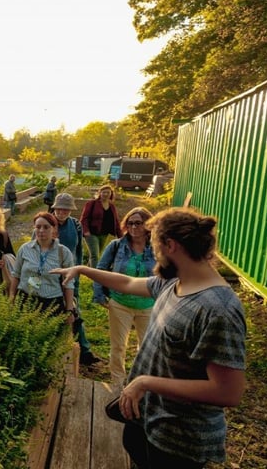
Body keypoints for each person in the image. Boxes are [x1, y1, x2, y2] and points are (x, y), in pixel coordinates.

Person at [52, 208, 246, 468]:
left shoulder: (218, 309)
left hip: (178, 440)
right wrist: (83, 269)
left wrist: (145, 382)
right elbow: (128, 283)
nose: (153, 254)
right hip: (147, 418)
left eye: (155, 246)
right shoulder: (174, 282)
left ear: (171, 245)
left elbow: (228, 392)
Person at [93, 207, 156, 385]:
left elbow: (168, 273)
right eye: (130, 223)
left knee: (147, 348)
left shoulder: (158, 247)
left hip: (149, 305)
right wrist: (99, 294)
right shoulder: (116, 246)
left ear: (148, 225)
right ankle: (118, 383)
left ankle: (139, 382)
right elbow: (101, 269)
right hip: (120, 303)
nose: (134, 227)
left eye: (138, 223)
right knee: (118, 346)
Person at [51, 193, 100, 366]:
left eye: (66, 209)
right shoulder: (46, 223)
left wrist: (77, 273)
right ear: (54, 208)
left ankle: (84, 350)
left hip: (70, 275)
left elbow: (78, 251)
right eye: (59, 208)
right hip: (51, 275)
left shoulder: (76, 225)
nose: (62, 212)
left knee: (73, 310)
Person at [6, 212, 76, 320]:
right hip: (25, 301)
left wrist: (69, 310)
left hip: (51, 304)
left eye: (46, 227)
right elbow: (16, 275)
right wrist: (12, 297)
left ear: (54, 229)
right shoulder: (25, 249)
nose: (41, 230)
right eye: (38, 227)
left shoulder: (63, 253)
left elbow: (69, 283)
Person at [80, 184, 122, 267]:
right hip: (91, 233)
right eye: (104, 192)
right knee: (95, 255)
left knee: (96, 254)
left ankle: (88, 270)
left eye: (108, 192)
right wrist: (86, 231)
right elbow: (84, 218)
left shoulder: (112, 206)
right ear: (100, 193)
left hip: (104, 234)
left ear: (111, 194)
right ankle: (95, 273)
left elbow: (116, 221)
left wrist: (121, 236)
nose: (106, 194)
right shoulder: (91, 203)